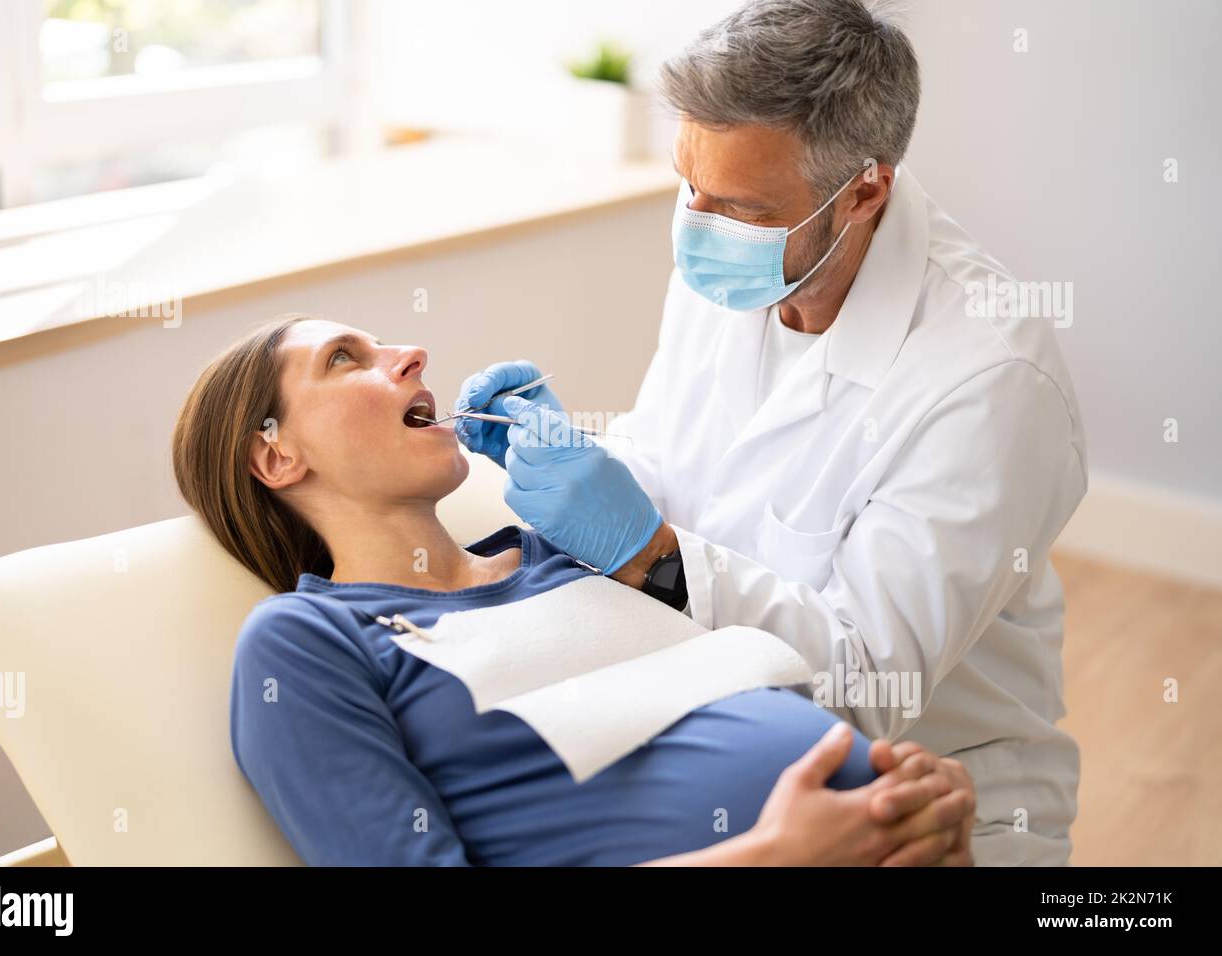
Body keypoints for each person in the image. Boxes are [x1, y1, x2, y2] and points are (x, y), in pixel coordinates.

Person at [456, 0, 1084, 865]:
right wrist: (585, 461)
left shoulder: (991, 378)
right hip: (719, 729)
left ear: (864, 189)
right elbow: (680, 463)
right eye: (689, 186)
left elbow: (869, 686)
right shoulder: (735, 262)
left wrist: (650, 552)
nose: (698, 228)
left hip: (925, 796)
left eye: (739, 207)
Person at [171, 314, 975, 866]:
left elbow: (788, 686)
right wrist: (768, 855)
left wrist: (908, 796)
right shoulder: (306, 641)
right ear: (274, 456)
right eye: (345, 359)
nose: (411, 353)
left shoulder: (560, 552)